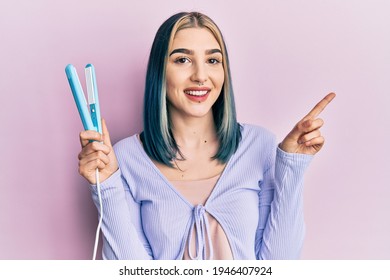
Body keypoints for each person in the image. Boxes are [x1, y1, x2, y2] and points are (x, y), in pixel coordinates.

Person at [77, 11, 335, 260]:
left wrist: (292, 166)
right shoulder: (126, 158)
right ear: (159, 72)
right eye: (182, 60)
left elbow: (279, 265)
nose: (201, 76)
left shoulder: (260, 145)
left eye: (213, 60)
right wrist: (106, 186)